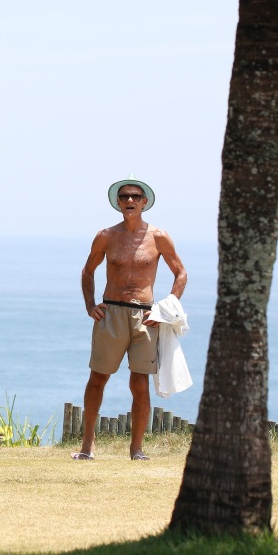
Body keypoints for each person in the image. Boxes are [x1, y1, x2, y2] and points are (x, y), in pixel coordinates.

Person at [74, 176, 187, 461]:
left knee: (140, 383)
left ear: (144, 202)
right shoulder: (106, 236)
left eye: (136, 196)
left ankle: (137, 450)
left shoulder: (158, 236)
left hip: (145, 317)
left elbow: (180, 273)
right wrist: (90, 306)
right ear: (118, 202)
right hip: (111, 313)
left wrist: (166, 309)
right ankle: (87, 447)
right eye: (124, 196)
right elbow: (88, 271)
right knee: (98, 378)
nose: (130, 201)